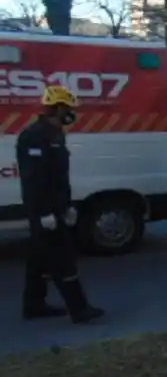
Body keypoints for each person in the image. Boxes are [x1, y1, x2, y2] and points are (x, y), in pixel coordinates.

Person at [17, 85, 105, 323]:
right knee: (63, 258)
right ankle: (80, 309)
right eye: (68, 108)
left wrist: (68, 206)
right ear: (56, 108)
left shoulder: (55, 135)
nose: (71, 113)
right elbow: (35, 179)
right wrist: (46, 212)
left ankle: (33, 305)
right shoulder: (35, 136)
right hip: (44, 210)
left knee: (38, 259)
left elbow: (58, 178)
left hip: (55, 207)